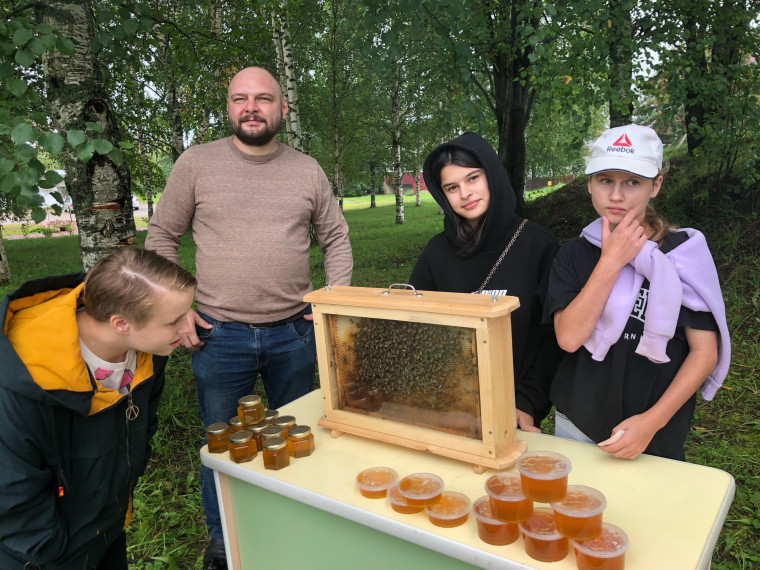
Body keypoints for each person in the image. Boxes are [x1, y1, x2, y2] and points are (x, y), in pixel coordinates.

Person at [145, 66, 353, 568]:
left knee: (305, 436)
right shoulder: (196, 164)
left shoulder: (307, 169)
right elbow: (160, 238)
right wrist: (178, 313)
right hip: (219, 336)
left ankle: (299, 526)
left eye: (263, 98)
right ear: (229, 108)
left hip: (295, 334)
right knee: (221, 445)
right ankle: (225, 540)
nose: (251, 107)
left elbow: (337, 239)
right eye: (240, 98)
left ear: (283, 108)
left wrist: (331, 301)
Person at [0, 247, 196, 569]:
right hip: (43, 557)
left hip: (107, 531)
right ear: (120, 323)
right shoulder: (21, 381)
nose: (186, 326)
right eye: (174, 320)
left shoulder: (149, 351)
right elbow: (13, 499)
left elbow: (142, 429)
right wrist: (56, 553)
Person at [543, 124, 730, 460]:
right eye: (606, 181)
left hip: (655, 426)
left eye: (632, 182)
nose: (617, 195)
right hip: (578, 422)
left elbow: (705, 353)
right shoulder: (574, 254)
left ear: (655, 185)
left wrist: (651, 423)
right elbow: (569, 338)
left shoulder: (682, 254)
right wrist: (611, 261)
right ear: (590, 185)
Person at [409, 132, 563, 432]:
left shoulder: (538, 245)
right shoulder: (436, 253)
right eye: (452, 187)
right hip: (448, 408)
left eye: (473, 179)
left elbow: (551, 340)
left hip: (515, 409)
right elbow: (415, 331)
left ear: (492, 175)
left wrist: (526, 402)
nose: (465, 193)